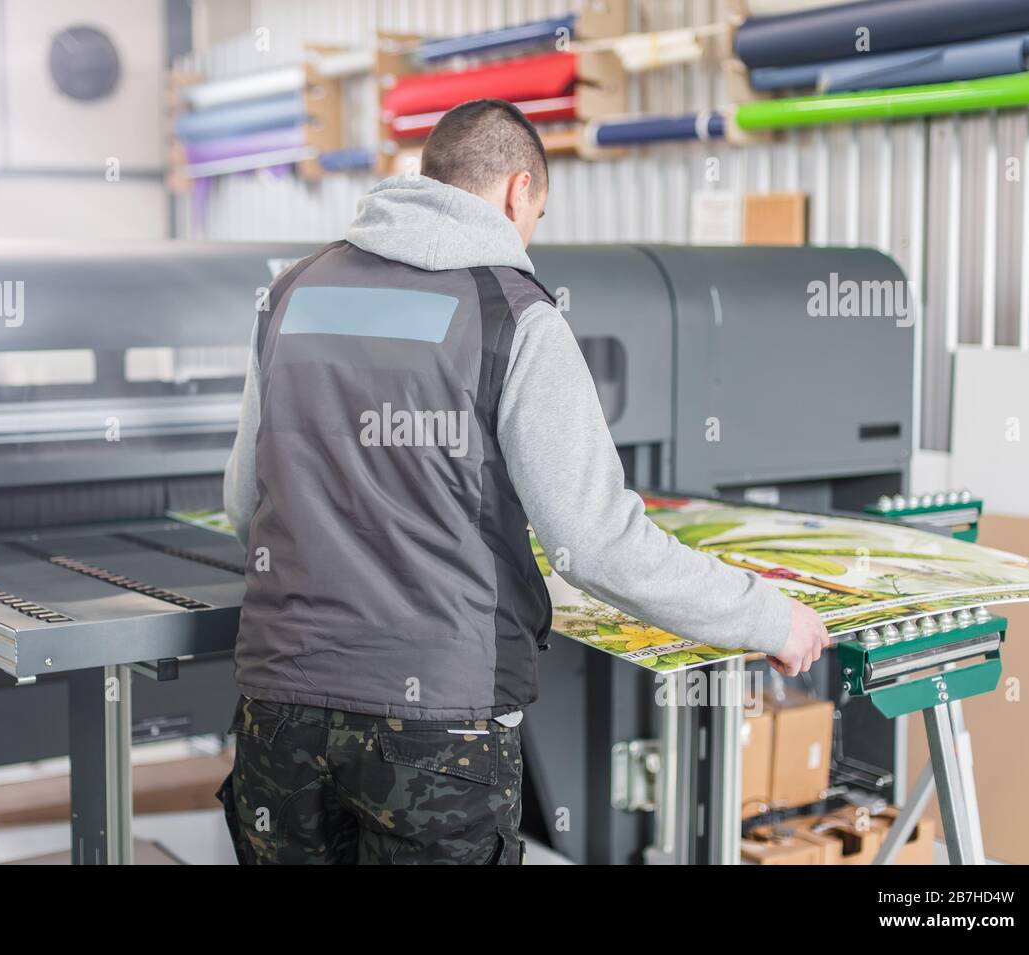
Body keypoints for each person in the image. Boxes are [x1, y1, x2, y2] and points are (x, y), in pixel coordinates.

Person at [217, 98, 831, 864]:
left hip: (279, 711)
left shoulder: (292, 294)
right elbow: (598, 542)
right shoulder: (512, 314)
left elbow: (244, 504)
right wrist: (768, 618)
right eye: (536, 211)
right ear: (517, 192)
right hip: (438, 729)